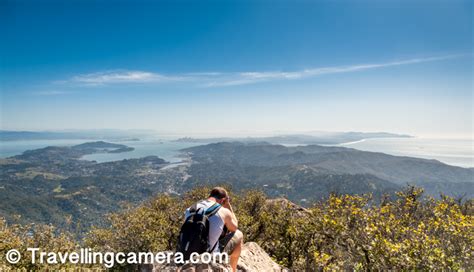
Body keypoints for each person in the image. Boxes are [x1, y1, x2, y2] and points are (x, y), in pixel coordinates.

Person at [183, 187, 243, 272]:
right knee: (239, 234)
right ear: (223, 200)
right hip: (211, 256)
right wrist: (228, 205)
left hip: (188, 252)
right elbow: (234, 228)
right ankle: (233, 269)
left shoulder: (190, 209)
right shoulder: (223, 211)